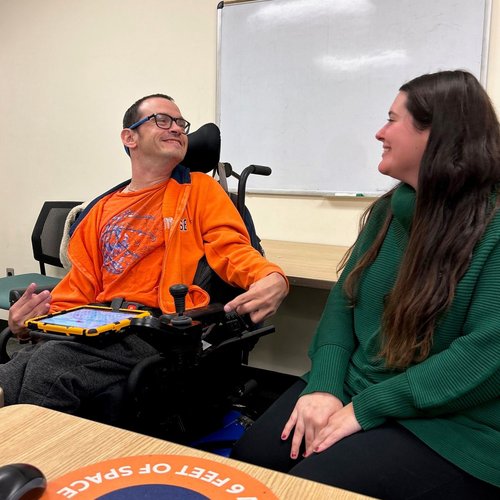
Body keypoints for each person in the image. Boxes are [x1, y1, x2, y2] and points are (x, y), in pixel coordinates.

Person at [231, 70, 500, 499]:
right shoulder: (389, 211)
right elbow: (344, 301)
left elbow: (486, 357)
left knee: (307, 491)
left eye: (393, 120)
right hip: (362, 385)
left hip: (457, 420)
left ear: (438, 136)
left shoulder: (493, 225)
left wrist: (368, 409)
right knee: (249, 466)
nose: (380, 132)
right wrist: (324, 386)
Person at [1, 93, 288, 414]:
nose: (178, 129)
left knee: (50, 368)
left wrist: (270, 276)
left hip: (155, 329)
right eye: (163, 120)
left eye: (181, 123)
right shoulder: (98, 210)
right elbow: (77, 289)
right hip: (97, 324)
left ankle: (37, 464)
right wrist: (32, 322)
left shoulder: (200, 191)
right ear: (129, 137)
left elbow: (232, 250)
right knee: (11, 371)